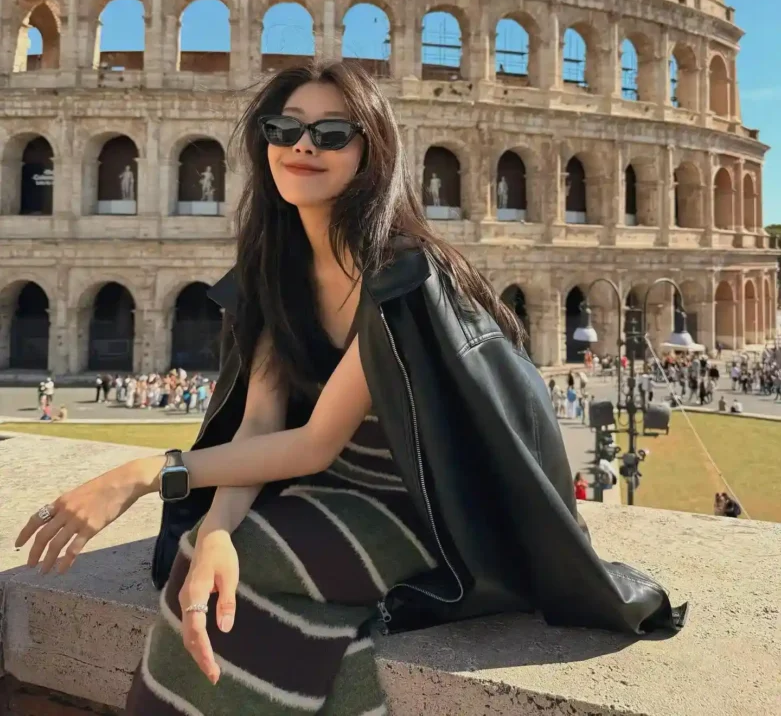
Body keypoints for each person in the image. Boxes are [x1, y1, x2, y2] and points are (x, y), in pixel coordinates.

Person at [15, 60, 685, 715]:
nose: (303, 144)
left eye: (333, 133)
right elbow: (260, 427)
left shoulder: (398, 276)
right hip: (334, 489)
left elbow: (312, 443)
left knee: (237, 577)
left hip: (431, 510)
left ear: (371, 153)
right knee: (201, 557)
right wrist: (217, 524)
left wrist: (142, 474)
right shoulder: (278, 269)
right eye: (284, 129)